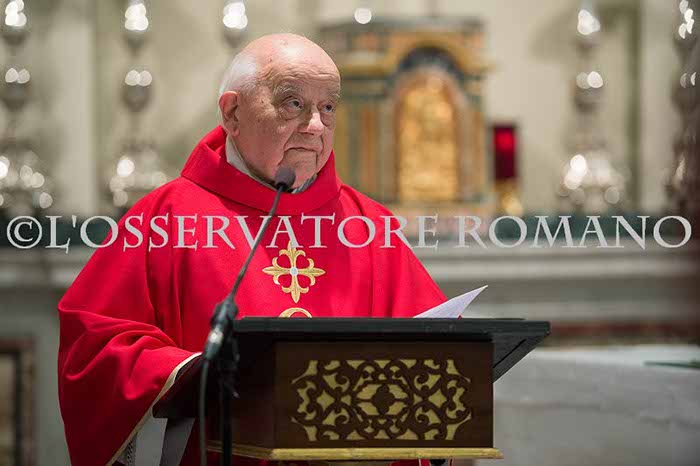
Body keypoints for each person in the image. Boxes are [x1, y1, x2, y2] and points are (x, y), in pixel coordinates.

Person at [58, 34, 446, 466]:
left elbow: (441, 358)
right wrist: (196, 376)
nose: (316, 126)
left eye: (328, 107)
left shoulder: (368, 226)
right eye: (293, 103)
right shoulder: (163, 219)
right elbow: (96, 350)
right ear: (232, 113)